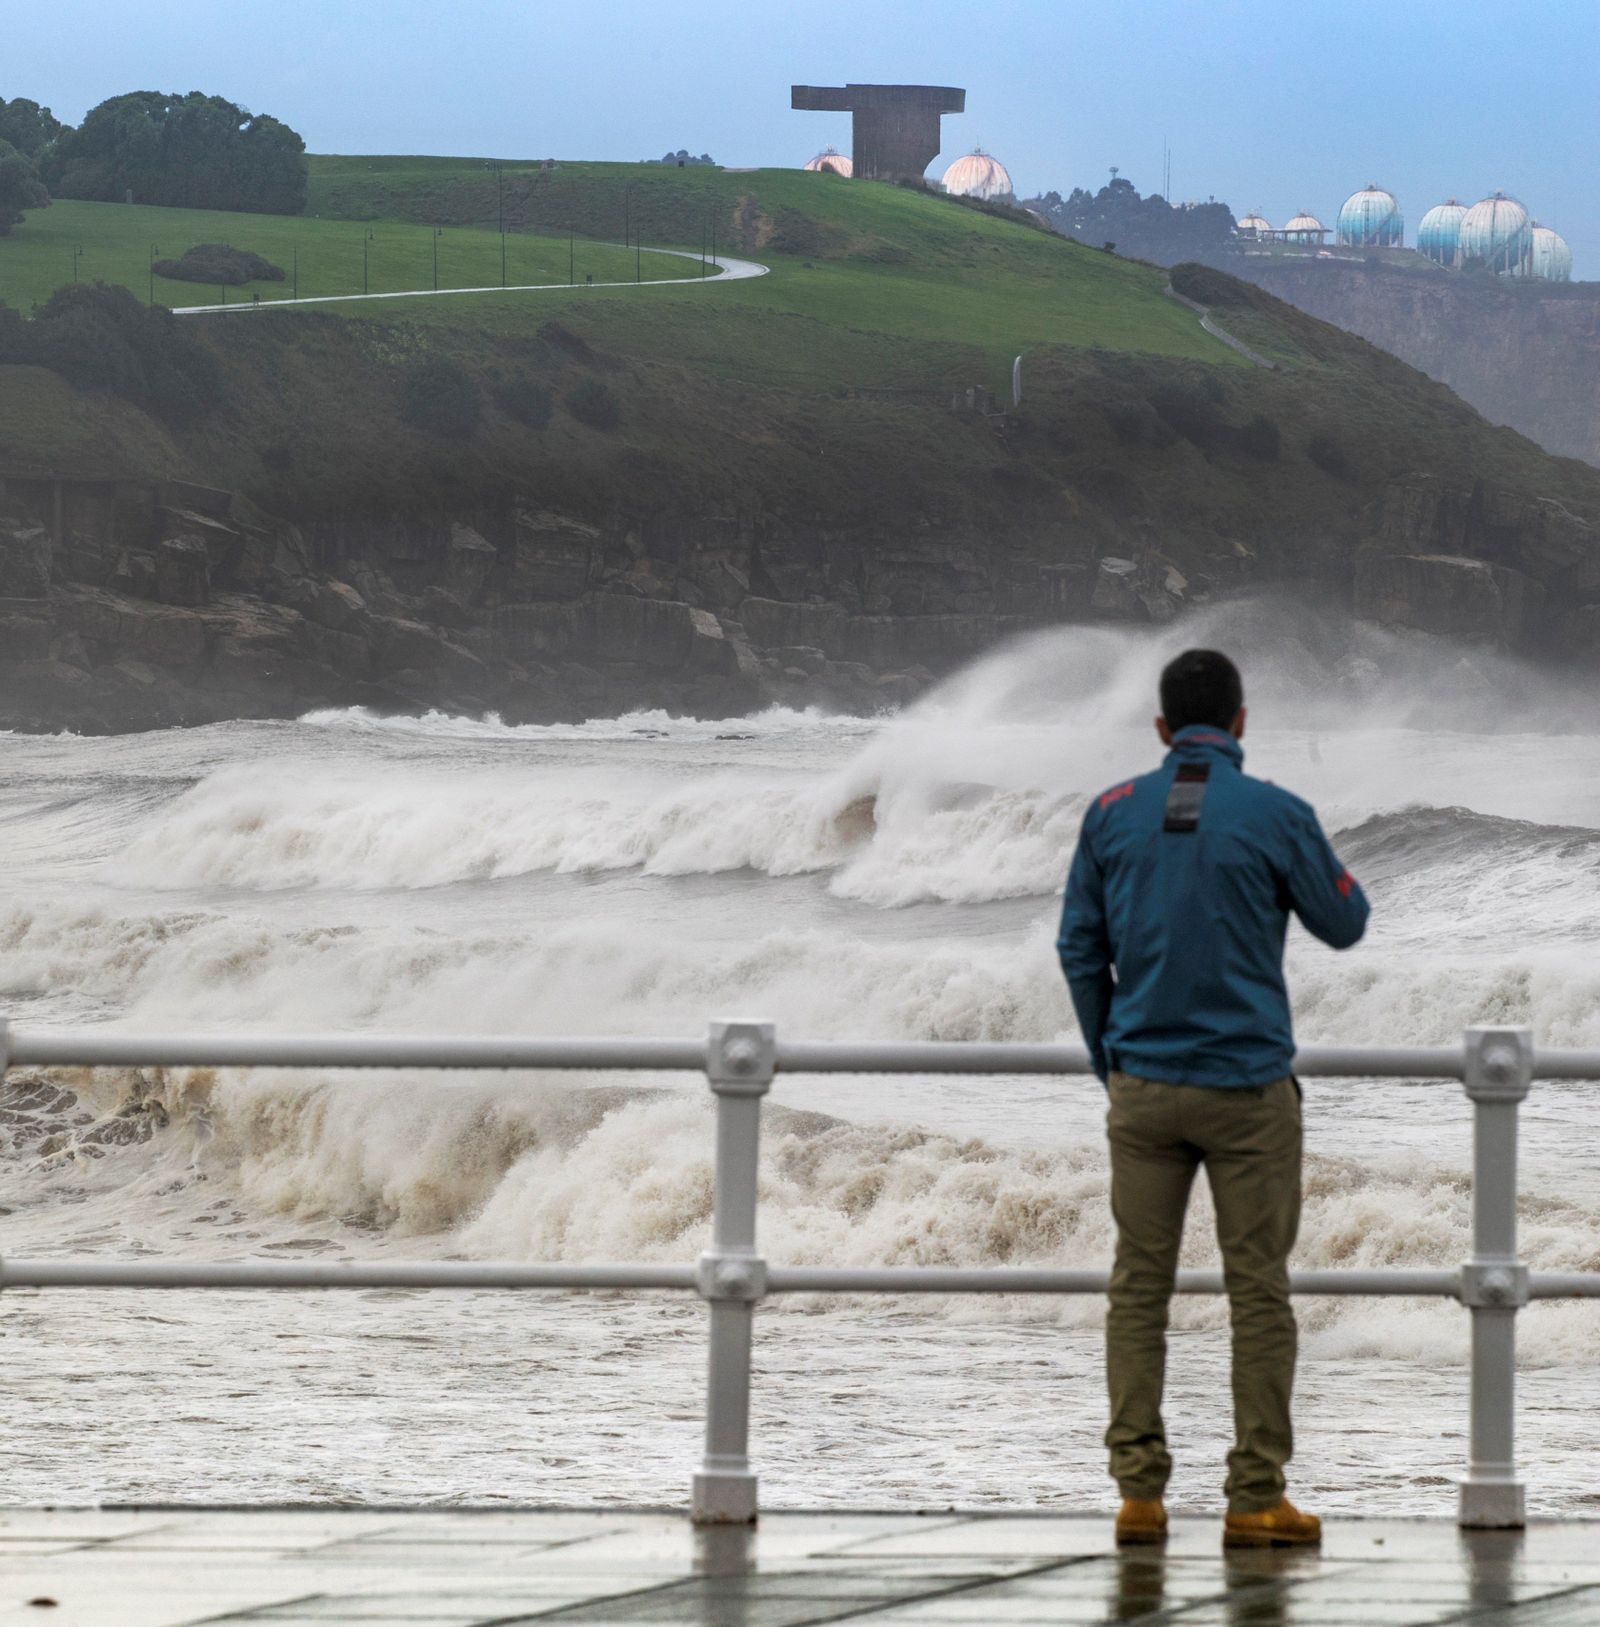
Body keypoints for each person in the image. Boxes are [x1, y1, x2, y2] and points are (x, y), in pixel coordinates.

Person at [1057, 648, 1369, 1549]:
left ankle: (1139, 1496)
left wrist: (1109, 1057)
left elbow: (1079, 948)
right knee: (1258, 1293)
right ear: (1240, 722)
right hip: (1246, 1090)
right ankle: (1254, 1496)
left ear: (1162, 730)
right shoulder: (1277, 811)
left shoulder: (1109, 812)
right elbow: (1345, 923)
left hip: (1143, 1089)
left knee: (1137, 1291)